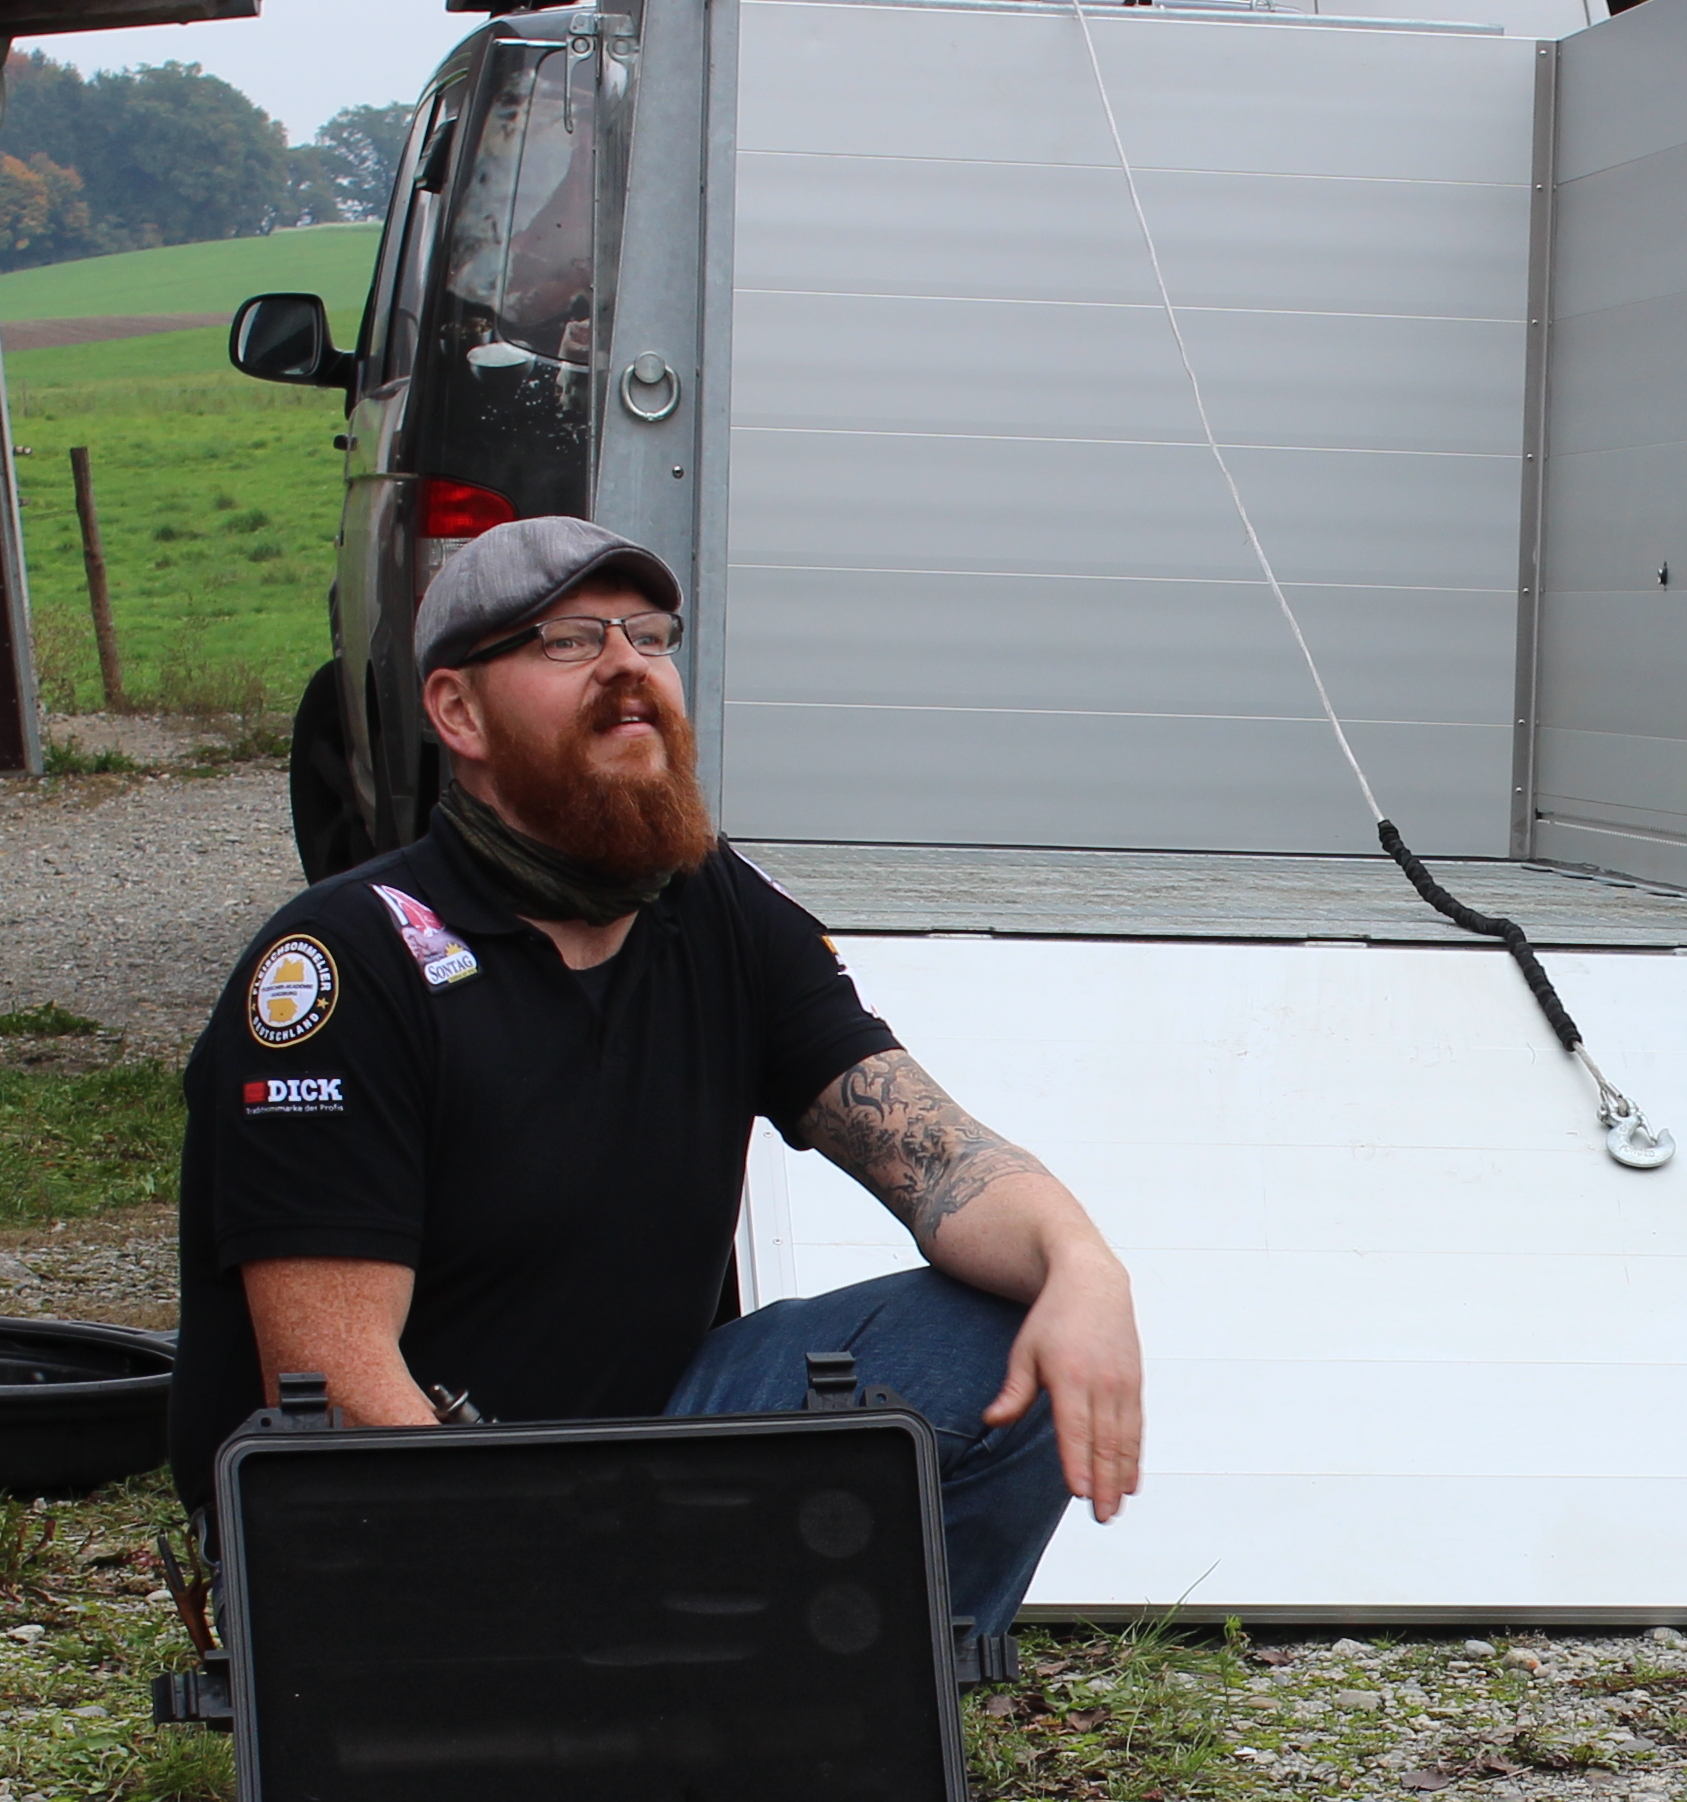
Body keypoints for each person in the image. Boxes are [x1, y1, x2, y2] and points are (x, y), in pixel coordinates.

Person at [167, 514, 1145, 1663]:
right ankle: (593, 1700)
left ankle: (852, 1725)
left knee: (1007, 1335)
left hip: (648, 1450)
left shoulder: (714, 908)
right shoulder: (347, 963)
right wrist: (542, 1570)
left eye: (649, 635)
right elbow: (334, 1384)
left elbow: (937, 1157)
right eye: (569, 641)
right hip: (388, 1507)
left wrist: (1084, 1267)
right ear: (458, 713)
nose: (627, 667)